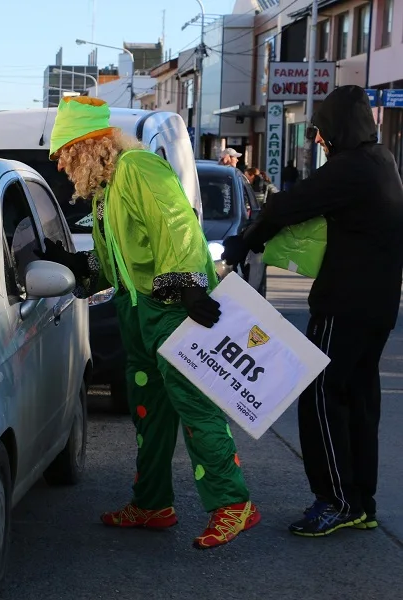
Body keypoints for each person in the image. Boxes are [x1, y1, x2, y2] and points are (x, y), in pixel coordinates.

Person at [37, 96, 259, 549]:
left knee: (195, 408)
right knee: (148, 412)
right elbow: (114, 259)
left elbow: (177, 223)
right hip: (136, 311)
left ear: (89, 145)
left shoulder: (138, 168)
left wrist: (191, 285)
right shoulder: (106, 190)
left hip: (171, 307)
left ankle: (233, 504)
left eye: (64, 155)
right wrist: (77, 267)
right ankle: (152, 503)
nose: (62, 167)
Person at [222, 85, 403, 536]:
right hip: (379, 305)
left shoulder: (350, 169)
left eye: (321, 131)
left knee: (321, 396)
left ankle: (336, 501)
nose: (319, 140)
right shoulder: (383, 162)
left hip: (345, 303)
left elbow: (289, 203)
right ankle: (361, 502)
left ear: (338, 128)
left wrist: (246, 240)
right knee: (358, 400)